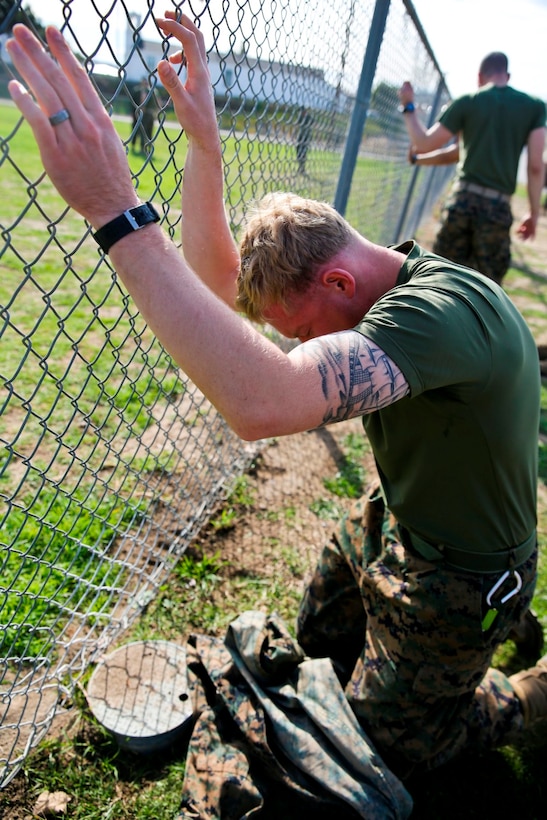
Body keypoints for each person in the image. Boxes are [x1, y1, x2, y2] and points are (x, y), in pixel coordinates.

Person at [6, 18, 547, 784]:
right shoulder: (367, 281)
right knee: (316, 636)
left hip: (462, 567)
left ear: (334, 283)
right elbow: (219, 281)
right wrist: (204, 145)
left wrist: (114, 212)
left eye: (299, 333)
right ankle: (471, 636)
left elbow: (260, 402)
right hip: (397, 510)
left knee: (396, 748)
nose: (297, 346)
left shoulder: (440, 314)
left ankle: (525, 687)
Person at [398, 53, 546, 285]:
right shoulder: (534, 107)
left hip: (461, 202)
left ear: (479, 76)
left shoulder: (468, 101)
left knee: (439, 280)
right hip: (497, 209)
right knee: (485, 288)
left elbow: (424, 143)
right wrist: (534, 213)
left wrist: (408, 105)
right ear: (507, 76)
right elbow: (536, 166)